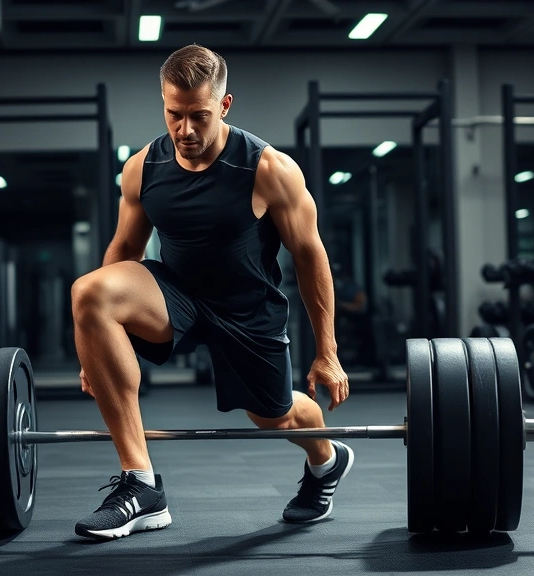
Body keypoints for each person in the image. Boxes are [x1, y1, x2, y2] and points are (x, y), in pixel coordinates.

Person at [70, 44, 352, 540]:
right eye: (173, 114)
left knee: (276, 416)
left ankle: (325, 460)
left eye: (198, 115)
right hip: (175, 295)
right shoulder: (142, 168)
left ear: (223, 105)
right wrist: (93, 346)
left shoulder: (268, 170)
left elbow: (311, 257)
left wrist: (327, 352)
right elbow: (125, 247)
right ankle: (142, 486)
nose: (185, 130)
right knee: (89, 292)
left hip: (247, 310)